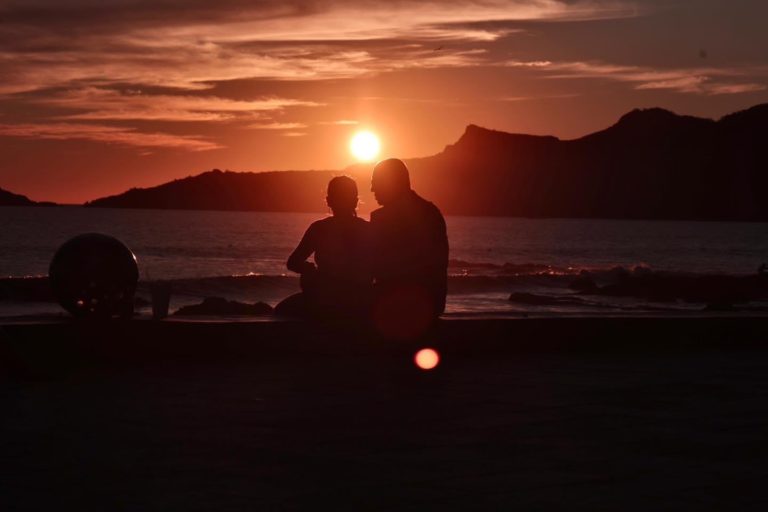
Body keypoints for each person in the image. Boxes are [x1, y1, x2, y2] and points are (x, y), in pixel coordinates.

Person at [369, 158, 448, 339]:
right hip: (433, 303)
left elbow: (376, 267)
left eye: (375, 183)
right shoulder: (431, 211)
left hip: (401, 304)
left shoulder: (383, 218)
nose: (372, 190)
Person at [278, 176, 372, 322]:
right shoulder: (368, 229)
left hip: (326, 297)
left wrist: (308, 269)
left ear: (329, 201)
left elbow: (293, 262)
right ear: (355, 201)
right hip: (359, 297)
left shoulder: (319, 229)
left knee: (280, 311)